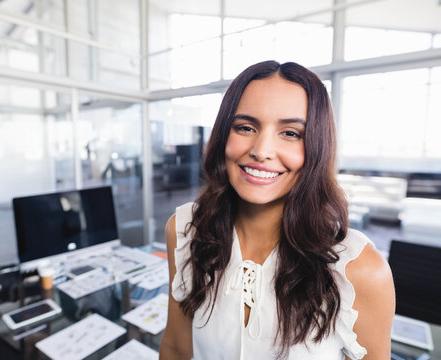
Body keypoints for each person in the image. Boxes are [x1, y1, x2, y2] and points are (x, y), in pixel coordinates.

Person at [159, 61, 395, 360]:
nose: (261, 150)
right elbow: (177, 348)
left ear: (317, 147)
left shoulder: (359, 270)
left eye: (291, 133)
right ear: (223, 136)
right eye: (245, 127)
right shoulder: (183, 230)